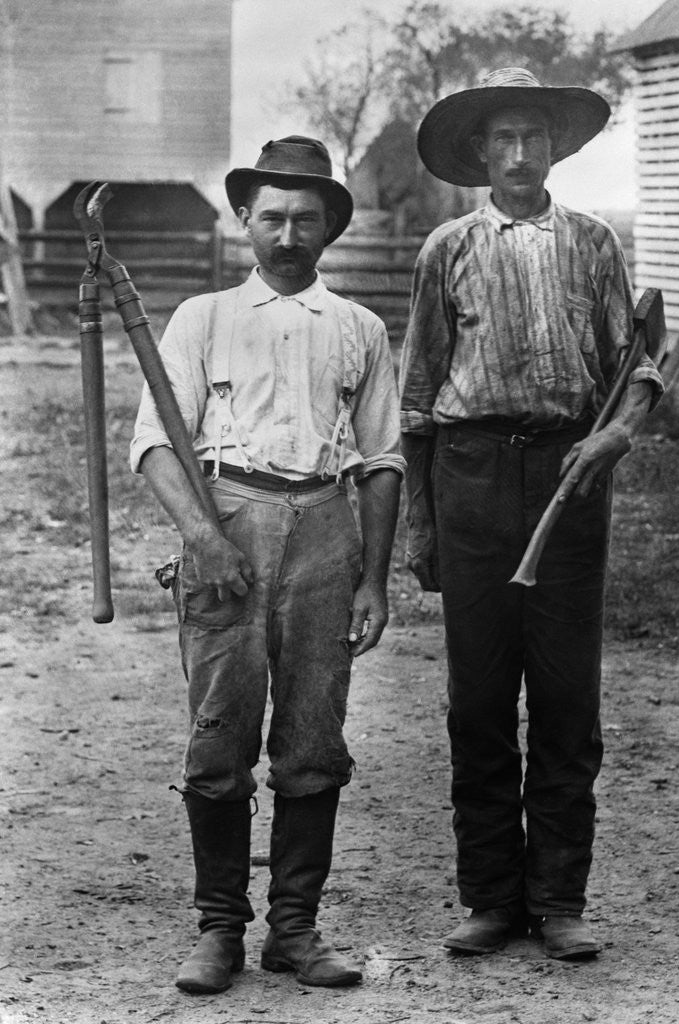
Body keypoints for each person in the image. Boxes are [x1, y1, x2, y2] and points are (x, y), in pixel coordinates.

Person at [399, 68, 664, 961]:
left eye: (534, 137)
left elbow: (639, 370)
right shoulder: (447, 249)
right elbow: (418, 397)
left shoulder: (593, 245)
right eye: (502, 139)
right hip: (471, 478)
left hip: (570, 479)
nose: (518, 154)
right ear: (480, 152)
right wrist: (423, 527)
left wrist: (614, 439)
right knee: (478, 702)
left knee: (563, 698)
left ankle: (558, 900)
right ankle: (490, 899)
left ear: (555, 148)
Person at [130, 136, 404, 994]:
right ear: (246, 219)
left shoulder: (359, 329)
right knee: (219, 735)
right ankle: (219, 929)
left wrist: (373, 577)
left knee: (313, 740)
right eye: (273, 217)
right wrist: (205, 539)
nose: (288, 234)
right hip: (228, 529)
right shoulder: (201, 319)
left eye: (306, 219)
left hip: (326, 532)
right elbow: (152, 444)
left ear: (329, 230)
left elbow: (384, 459)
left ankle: (295, 929)